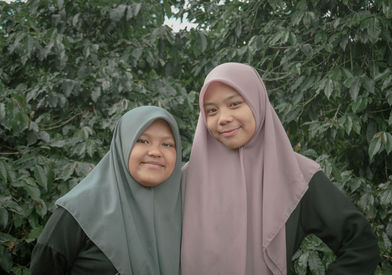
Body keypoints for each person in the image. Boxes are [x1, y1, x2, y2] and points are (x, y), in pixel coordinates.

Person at [181, 62, 379, 275]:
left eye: (235, 104)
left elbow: (360, 244)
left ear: (257, 102)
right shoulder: (187, 179)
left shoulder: (296, 174)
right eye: (212, 110)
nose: (223, 118)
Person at [30, 106, 182, 275]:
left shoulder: (182, 213)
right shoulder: (77, 213)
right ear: (122, 145)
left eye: (167, 144)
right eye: (142, 141)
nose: (155, 152)